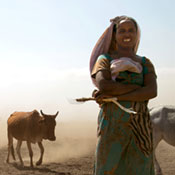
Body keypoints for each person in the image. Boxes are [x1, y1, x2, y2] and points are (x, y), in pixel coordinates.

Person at [89, 16, 157, 175]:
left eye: (131, 30)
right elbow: (104, 85)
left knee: (139, 167)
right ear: (115, 35)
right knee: (108, 168)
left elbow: (152, 91)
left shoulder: (145, 62)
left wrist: (115, 94)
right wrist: (137, 88)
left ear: (137, 34)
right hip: (112, 125)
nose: (127, 34)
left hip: (139, 126)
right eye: (122, 31)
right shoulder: (104, 59)